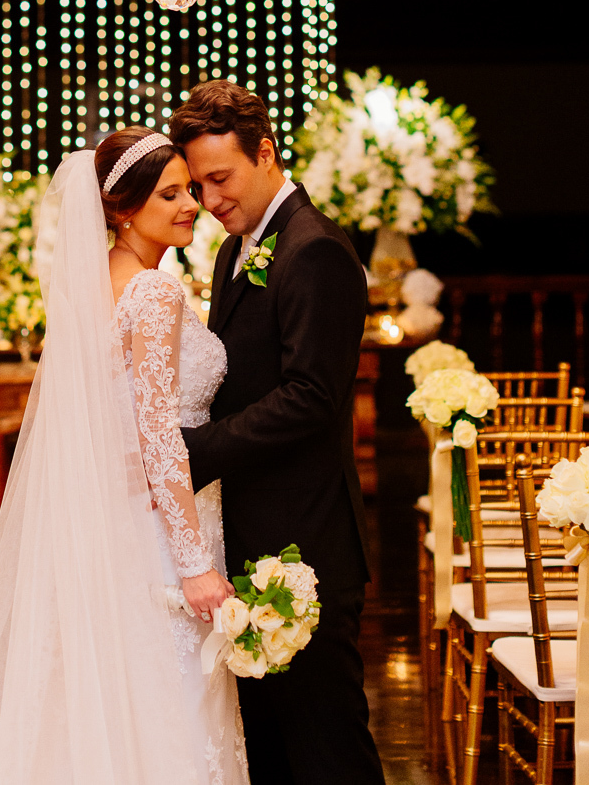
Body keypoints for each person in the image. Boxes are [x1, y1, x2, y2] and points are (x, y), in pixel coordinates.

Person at [0, 131, 247, 785]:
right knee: (166, 707)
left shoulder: (94, 284)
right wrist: (195, 565)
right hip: (160, 533)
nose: (190, 206)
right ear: (122, 210)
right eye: (169, 195)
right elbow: (157, 434)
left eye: (189, 190)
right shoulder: (154, 292)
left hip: (111, 523)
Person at [170, 81, 385, 785]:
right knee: (271, 750)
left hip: (306, 540)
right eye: (197, 184)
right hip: (251, 533)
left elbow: (311, 397)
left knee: (327, 748)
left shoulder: (314, 249)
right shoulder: (238, 249)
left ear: (265, 153)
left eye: (220, 178)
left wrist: (194, 452)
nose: (209, 199)